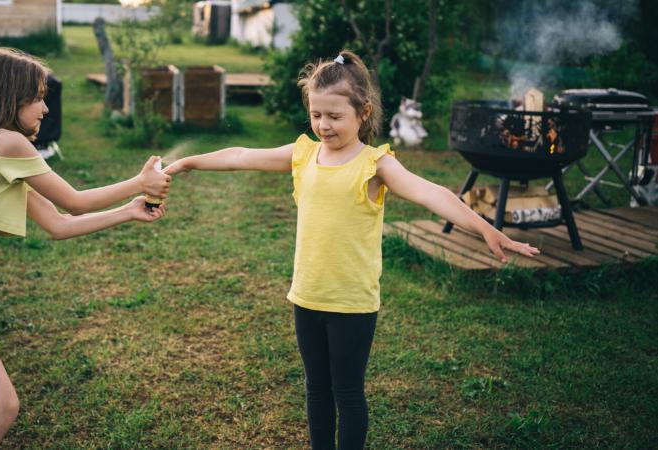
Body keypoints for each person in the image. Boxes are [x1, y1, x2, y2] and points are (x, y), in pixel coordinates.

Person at [164, 50, 539, 450]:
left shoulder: (376, 165)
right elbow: (240, 156)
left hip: (352, 304)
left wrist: (485, 228)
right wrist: (187, 163)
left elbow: (432, 193)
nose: (323, 125)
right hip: (307, 296)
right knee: (316, 388)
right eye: (316, 115)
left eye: (334, 117)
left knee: (347, 392)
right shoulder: (303, 154)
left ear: (363, 113)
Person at [0, 47, 171, 449]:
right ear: (9, 97)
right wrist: (140, 183)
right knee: (2, 405)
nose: (44, 108)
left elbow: (60, 224)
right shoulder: (8, 144)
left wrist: (128, 212)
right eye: (36, 98)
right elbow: (74, 200)